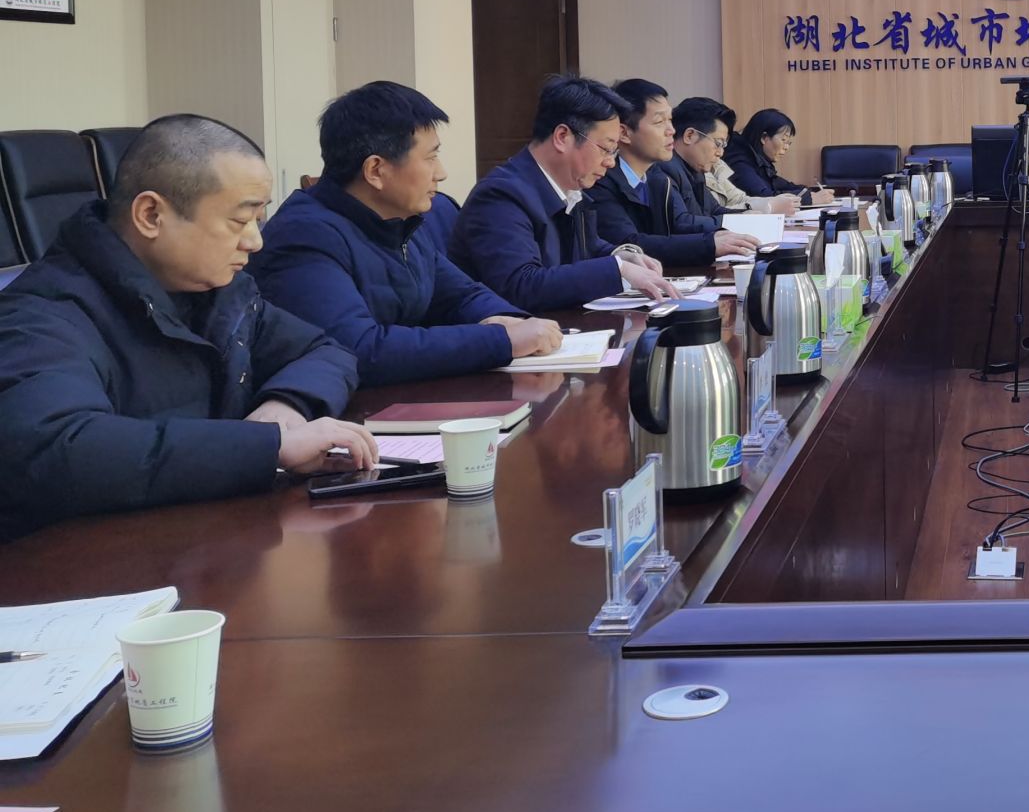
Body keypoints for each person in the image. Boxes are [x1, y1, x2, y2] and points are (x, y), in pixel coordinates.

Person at [0, 115, 371, 540]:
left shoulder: (221, 292)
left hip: (208, 542)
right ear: (151, 215)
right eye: (239, 221)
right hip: (81, 563)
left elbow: (325, 351)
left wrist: (286, 405)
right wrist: (270, 447)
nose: (255, 241)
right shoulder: (43, 314)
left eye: (259, 218)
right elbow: (56, 448)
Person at [250, 82, 563, 386]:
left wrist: (506, 319)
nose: (441, 173)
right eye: (430, 157)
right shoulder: (304, 237)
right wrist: (500, 340)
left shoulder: (400, 221)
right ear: (376, 170)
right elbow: (359, 349)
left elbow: (461, 295)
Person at [450, 76, 677, 312]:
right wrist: (617, 269)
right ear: (562, 137)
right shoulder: (501, 196)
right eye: (606, 149)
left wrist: (621, 255)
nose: (611, 162)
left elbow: (585, 246)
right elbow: (521, 286)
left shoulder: (570, 190)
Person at [588, 79, 758, 267]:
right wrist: (709, 244)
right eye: (659, 122)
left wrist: (727, 231)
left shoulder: (656, 178)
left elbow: (673, 234)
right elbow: (629, 244)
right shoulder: (600, 180)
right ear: (624, 133)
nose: (671, 130)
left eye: (670, 120)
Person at [702, 101, 797, 216]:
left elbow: (739, 198)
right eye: (718, 143)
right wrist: (768, 206)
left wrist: (804, 195)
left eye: (723, 144)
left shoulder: (717, 165)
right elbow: (708, 215)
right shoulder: (737, 159)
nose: (721, 152)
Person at [727, 108, 831, 203]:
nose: (786, 147)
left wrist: (807, 192)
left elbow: (778, 184)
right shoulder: (738, 160)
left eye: (789, 143)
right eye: (783, 140)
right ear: (764, 138)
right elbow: (763, 197)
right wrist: (809, 199)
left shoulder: (759, 160)